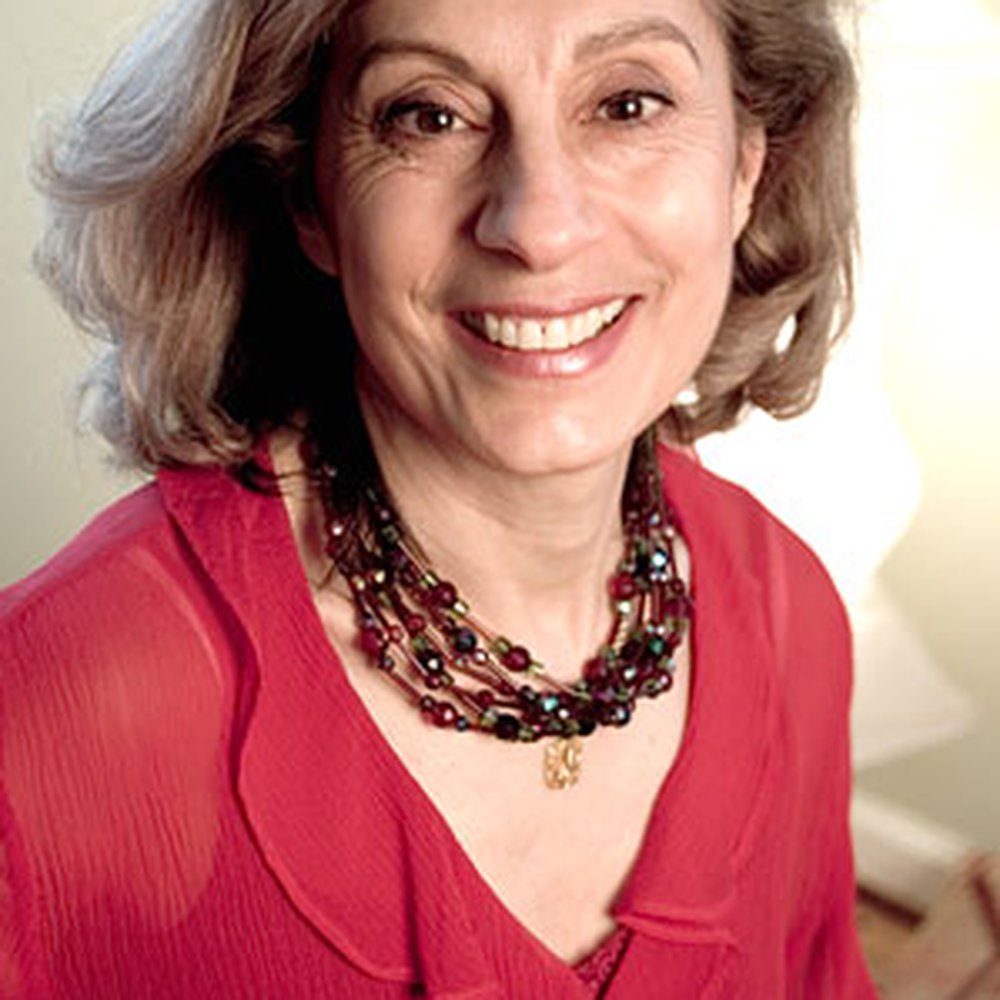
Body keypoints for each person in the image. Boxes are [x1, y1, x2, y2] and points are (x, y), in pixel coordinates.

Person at [0, 0, 876, 995]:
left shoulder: (790, 615)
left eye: (628, 104)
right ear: (309, 195)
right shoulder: (40, 722)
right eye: (430, 114)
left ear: (746, 166)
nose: (538, 225)